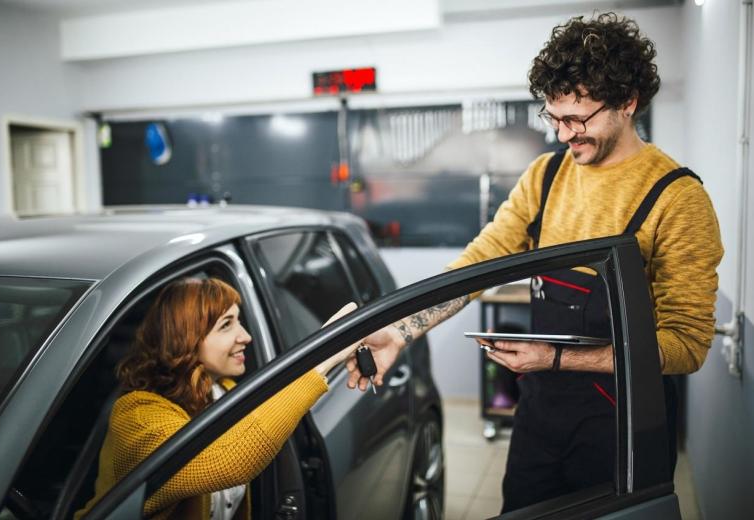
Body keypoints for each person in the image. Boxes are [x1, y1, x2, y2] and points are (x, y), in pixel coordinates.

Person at [346, 12, 723, 513]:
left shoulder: (677, 198)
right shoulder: (545, 176)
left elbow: (688, 344)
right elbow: (478, 263)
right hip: (541, 416)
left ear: (629, 103)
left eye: (578, 119)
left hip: (624, 429)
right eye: (554, 117)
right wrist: (400, 330)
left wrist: (560, 357)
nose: (564, 134)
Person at [75, 277, 359, 520]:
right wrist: (324, 357)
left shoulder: (222, 389)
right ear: (186, 339)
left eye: (239, 321)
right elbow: (224, 461)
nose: (246, 336)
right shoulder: (136, 415)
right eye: (226, 325)